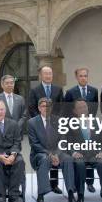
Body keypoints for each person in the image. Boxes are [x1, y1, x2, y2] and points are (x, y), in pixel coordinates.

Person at [28, 98, 80, 202]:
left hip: (58, 153)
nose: (46, 108)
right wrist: (50, 155)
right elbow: (34, 144)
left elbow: (63, 140)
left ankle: (71, 196)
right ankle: (40, 197)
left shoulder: (59, 120)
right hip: (39, 154)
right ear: (39, 108)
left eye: (48, 106)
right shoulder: (32, 122)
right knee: (44, 159)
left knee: (68, 159)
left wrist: (56, 154)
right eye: (43, 106)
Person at [67, 99, 102, 202]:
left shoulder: (96, 122)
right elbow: (66, 142)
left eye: (85, 107)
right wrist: (73, 152)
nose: (83, 109)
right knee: (79, 165)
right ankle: (80, 196)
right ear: (75, 111)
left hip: (94, 154)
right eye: (80, 108)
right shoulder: (70, 124)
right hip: (80, 154)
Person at [28, 65, 64, 194]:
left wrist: (54, 121)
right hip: (39, 126)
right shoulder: (34, 90)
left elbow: (61, 107)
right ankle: (44, 188)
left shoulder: (58, 89)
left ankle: (54, 185)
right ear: (41, 76)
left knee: (55, 151)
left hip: (54, 125)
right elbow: (32, 107)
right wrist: (39, 123)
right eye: (46, 73)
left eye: (50, 73)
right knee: (45, 155)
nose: (48, 76)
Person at [64, 67, 99, 193]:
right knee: (80, 157)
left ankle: (90, 183)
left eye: (85, 75)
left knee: (90, 150)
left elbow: (94, 109)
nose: (83, 78)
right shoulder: (70, 92)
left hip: (88, 125)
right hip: (75, 127)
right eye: (81, 76)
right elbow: (67, 111)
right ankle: (79, 184)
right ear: (77, 77)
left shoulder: (94, 91)